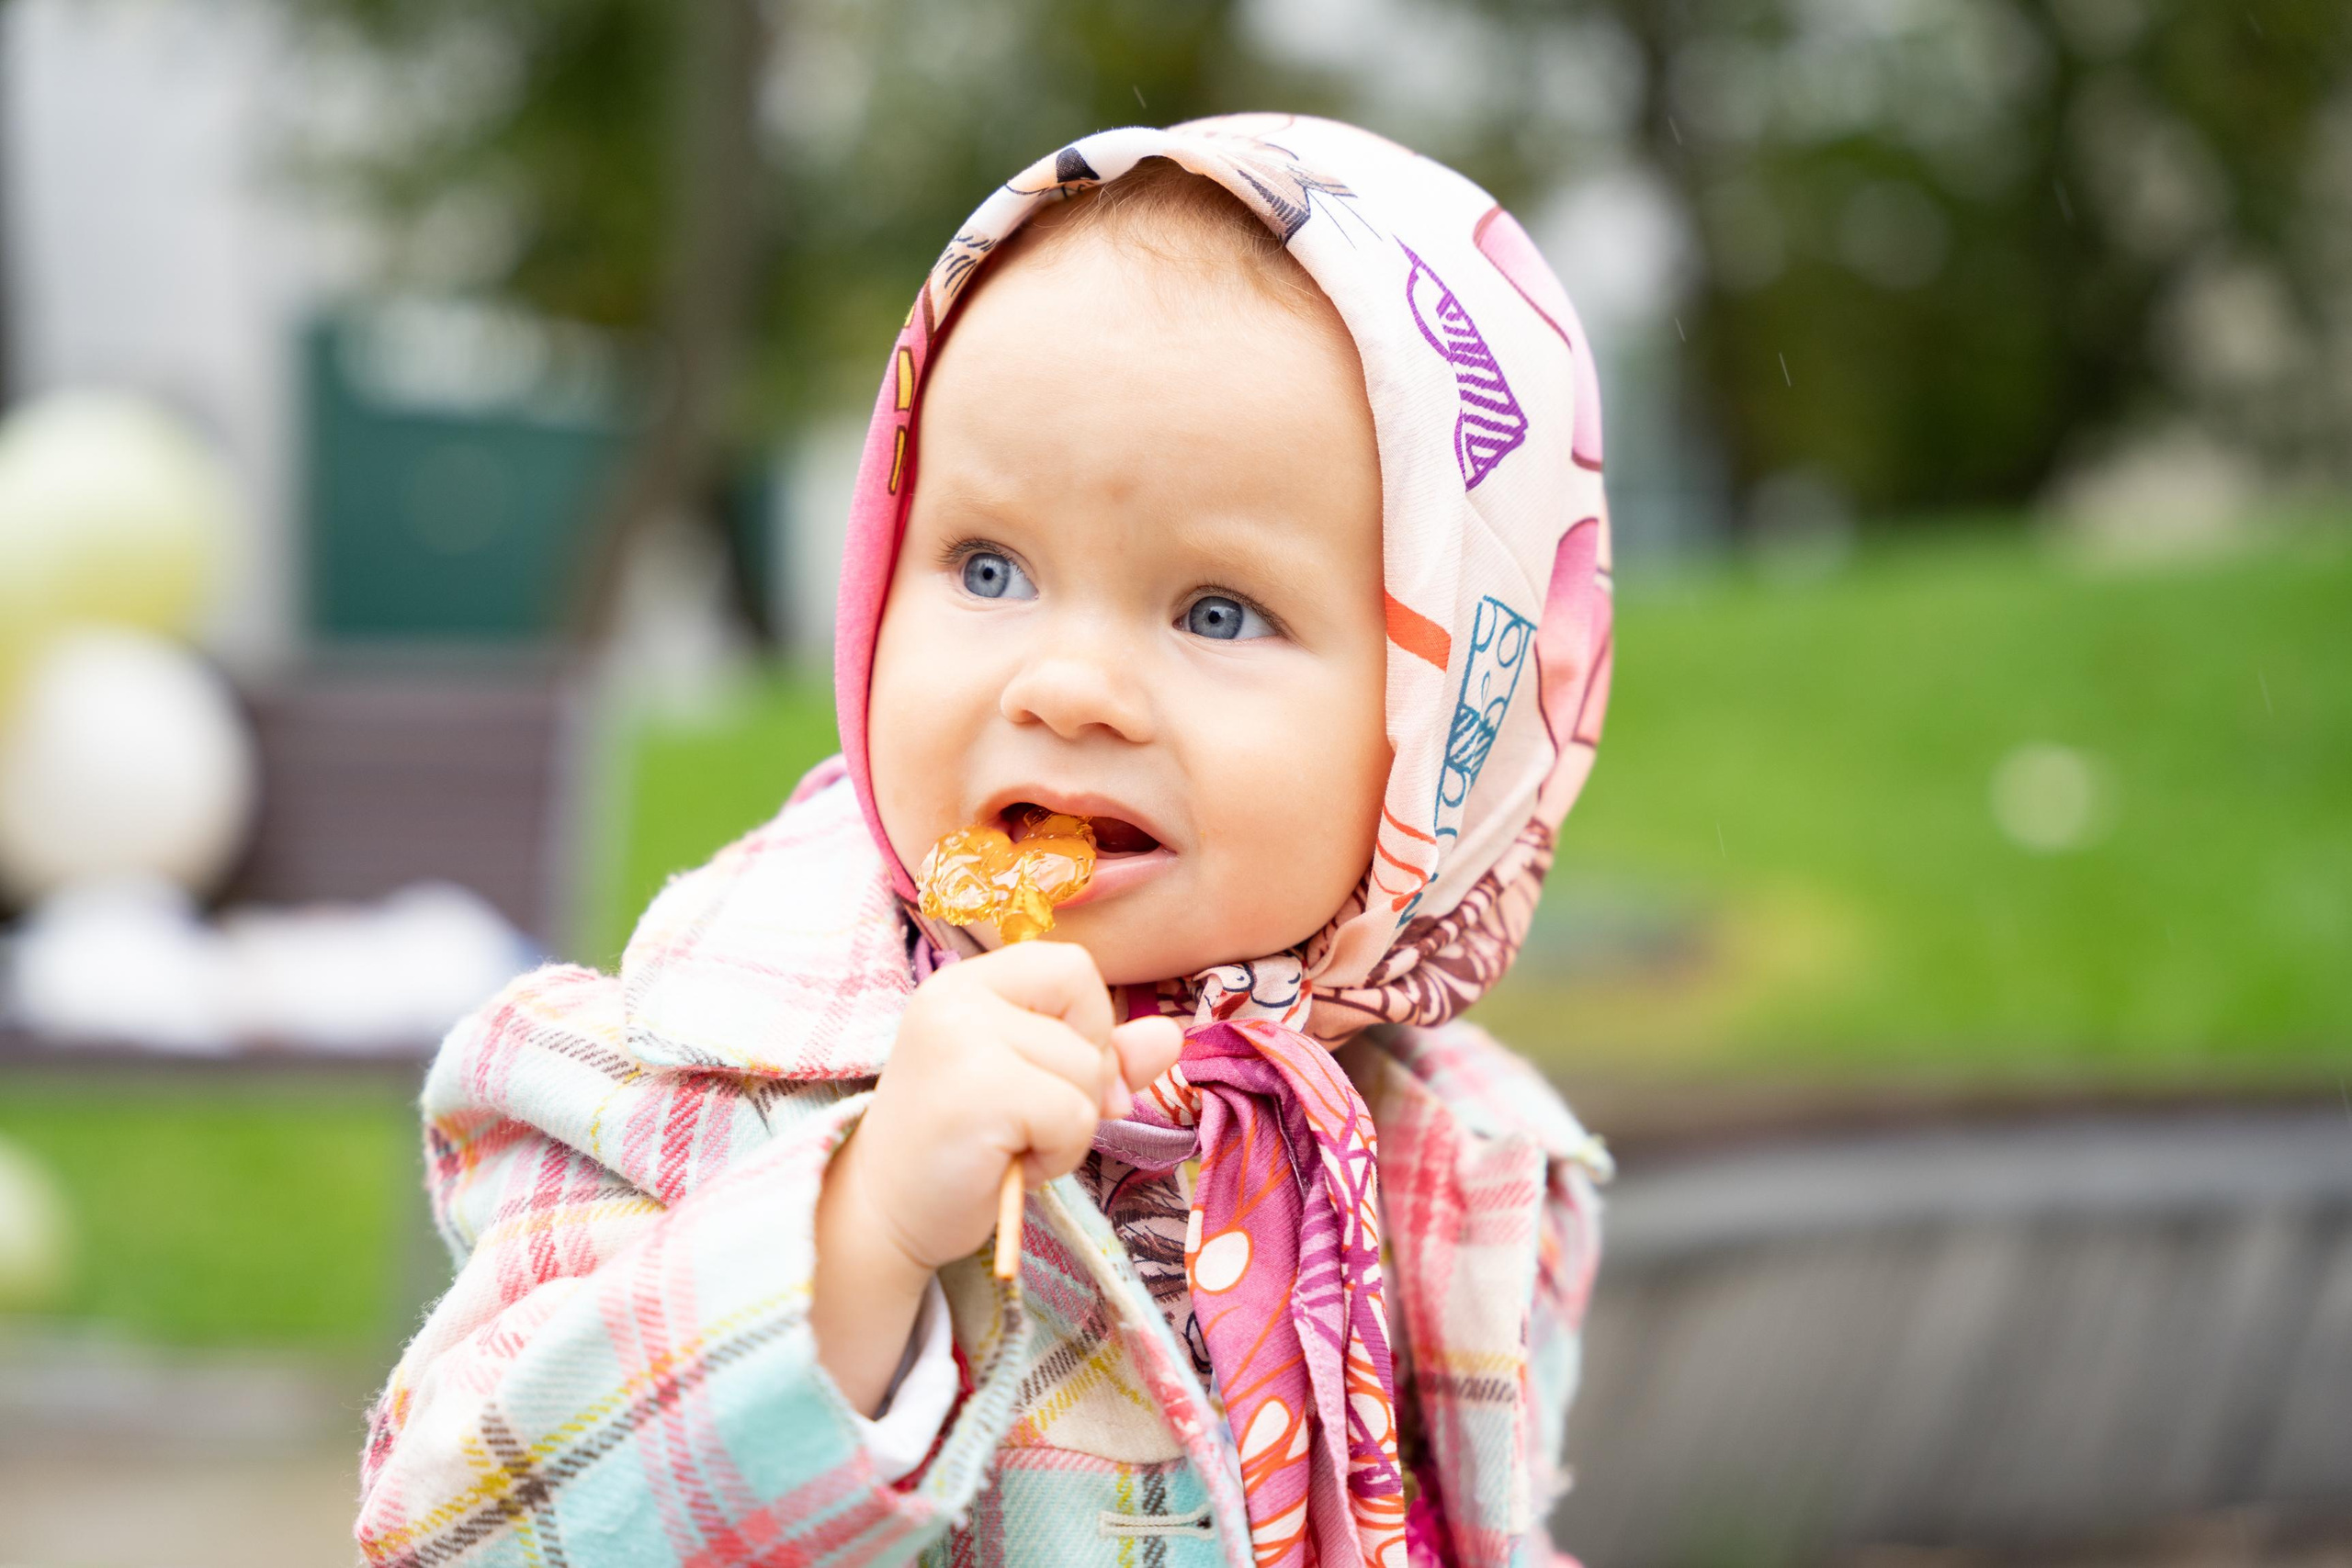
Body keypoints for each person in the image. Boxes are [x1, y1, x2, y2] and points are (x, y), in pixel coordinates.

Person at [356, 115, 1615, 1568]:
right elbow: (457, 1533)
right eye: (989, 566)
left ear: (1452, 715)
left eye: (1217, 610)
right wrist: (867, 1230)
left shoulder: (1458, 1156)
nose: (1065, 685)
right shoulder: (658, 1086)